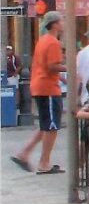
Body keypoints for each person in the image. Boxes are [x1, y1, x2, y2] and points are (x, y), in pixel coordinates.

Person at [11, 12, 66, 174]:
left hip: (40, 85)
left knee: (46, 125)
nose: (63, 23)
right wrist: (71, 67)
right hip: (48, 88)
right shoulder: (53, 42)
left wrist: (62, 80)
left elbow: (42, 66)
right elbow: (52, 66)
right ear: (55, 24)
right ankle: (44, 162)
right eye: (61, 20)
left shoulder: (42, 41)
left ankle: (24, 154)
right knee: (52, 127)